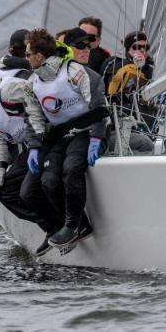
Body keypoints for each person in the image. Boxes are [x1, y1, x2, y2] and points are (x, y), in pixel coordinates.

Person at [0, 66, 63, 256]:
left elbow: (35, 107)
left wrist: (33, 145)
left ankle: (60, 224)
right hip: (34, 148)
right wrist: (1, 167)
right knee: (3, 190)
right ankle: (51, 225)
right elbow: (1, 138)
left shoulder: (8, 90)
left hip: (48, 140)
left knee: (26, 191)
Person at [21, 29, 108, 252]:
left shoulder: (73, 71)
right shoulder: (32, 84)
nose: (26, 57)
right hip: (61, 137)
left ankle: (73, 225)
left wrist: (97, 136)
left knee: (71, 169)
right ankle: (71, 226)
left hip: (86, 132)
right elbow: (34, 118)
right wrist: (34, 148)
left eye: (28, 53)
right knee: (48, 182)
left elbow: (98, 105)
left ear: (39, 56)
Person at [102, 30, 155, 124]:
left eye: (145, 47)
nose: (142, 50)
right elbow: (102, 84)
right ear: (127, 49)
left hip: (143, 115)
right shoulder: (114, 62)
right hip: (116, 113)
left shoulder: (151, 68)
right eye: (137, 47)